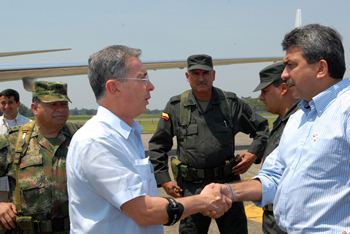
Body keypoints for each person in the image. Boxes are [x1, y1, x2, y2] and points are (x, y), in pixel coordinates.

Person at [66, 45, 232, 234]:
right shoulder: (97, 141)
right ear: (114, 87)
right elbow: (145, 212)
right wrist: (203, 201)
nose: (151, 86)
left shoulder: (127, 135)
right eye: (141, 78)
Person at [209, 24, 350, 233]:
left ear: (321, 68)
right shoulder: (298, 119)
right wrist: (229, 190)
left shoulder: (346, 111)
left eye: (291, 65)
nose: (284, 74)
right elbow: (274, 177)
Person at [149, 54, 269, 233]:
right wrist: (164, 180)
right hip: (191, 188)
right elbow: (158, 145)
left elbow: (262, 128)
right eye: (195, 73)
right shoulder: (175, 106)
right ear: (188, 77)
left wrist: (253, 154)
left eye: (205, 73)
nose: (201, 78)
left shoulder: (231, 103)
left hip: (228, 186)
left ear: (213, 75)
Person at [0, 81, 78, 233]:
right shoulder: (13, 141)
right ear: (35, 109)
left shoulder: (80, 138)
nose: (60, 109)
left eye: (64, 104)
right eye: (53, 104)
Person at [253, 62, 299, 234]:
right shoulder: (281, 122)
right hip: (274, 217)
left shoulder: (300, 123)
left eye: (265, 91)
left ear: (283, 88)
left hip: (289, 221)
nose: (260, 97)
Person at [0, 89, 32, 204]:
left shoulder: (29, 125)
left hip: (22, 185)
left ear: (18, 104)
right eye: (3, 103)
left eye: (10, 102)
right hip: (1, 185)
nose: (6, 106)